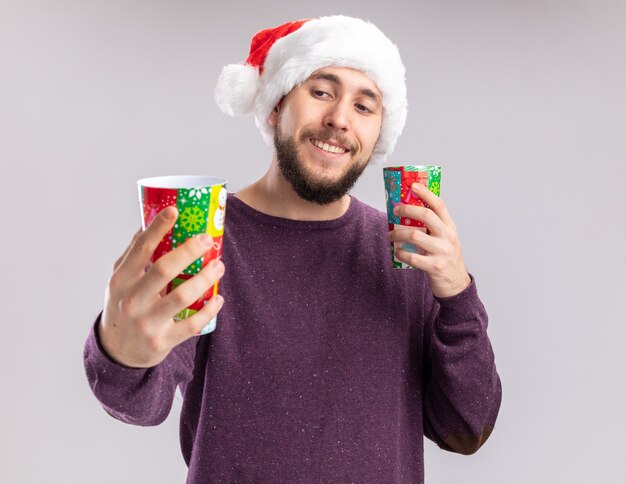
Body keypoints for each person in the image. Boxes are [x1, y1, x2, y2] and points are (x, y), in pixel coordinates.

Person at [83, 15, 502, 483]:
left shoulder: (405, 252)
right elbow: (141, 401)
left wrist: (457, 292)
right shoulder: (208, 237)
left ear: (378, 133)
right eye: (321, 91)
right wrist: (119, 350)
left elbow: (466, 428)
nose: (340, 119)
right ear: (275, 107)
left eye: (365, 107)